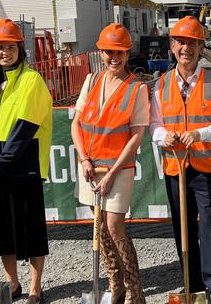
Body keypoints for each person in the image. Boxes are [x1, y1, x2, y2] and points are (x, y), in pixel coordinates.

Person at [149, 16, 211, 304]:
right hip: (176, 167)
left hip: (207, 168)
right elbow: (154, 125)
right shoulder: (160, 85)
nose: (186, 48)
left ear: (201, 47)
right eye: (180, 42)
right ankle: (191, 283)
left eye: (192, 43)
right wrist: (164, 137)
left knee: (209, 227)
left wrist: (199, 134)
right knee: (182, 226)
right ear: (173, 46)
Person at [0, 18, 52, 304]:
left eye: (10, 47)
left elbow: (25, 129)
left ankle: (35, 288)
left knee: (31, 232)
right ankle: (12, 284)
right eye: (0, 47)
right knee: (1, 231)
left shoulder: (32, 80)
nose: (5, 52)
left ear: (20, 48)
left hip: (23, 167)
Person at [71, 23, 148, 304]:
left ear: (128, 54)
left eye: (119, 52)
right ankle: (114, 284)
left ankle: (133, 289)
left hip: (118, 169)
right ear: (100, 52)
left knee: (114, 226)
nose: (114, 58)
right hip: (91, 168)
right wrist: (83, 158)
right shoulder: (91, 80)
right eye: (108, 52)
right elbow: (76, 124)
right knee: (99, 227)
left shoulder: (136, 89)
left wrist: (112, 172)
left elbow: (136, 136)